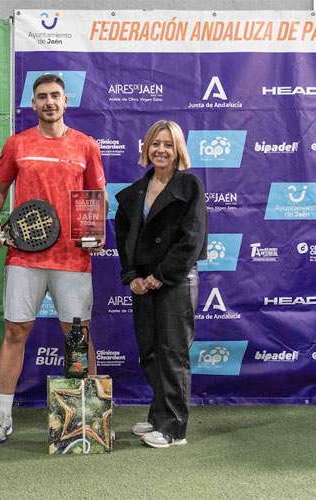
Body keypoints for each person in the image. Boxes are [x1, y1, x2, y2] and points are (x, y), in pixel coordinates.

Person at [0, 74, 106, 444]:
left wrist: (96, 233)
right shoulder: (17, 144)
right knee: (15, 331)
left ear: (66, 101)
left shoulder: (85, 146)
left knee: (78, 338)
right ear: (32, 104)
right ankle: (2, 416)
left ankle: (87, 414)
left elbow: (96, 195)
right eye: (42, 97)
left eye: (55, 96)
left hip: (72, 257)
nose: (49, 102)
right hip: (24, 256)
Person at [114, 119, 207, 448]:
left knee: (172, 354)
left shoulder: (190, 187)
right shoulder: (132, 194)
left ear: (178, 149)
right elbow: (124, 239)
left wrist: (159, 276)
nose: (161, 150)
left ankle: (173, 429)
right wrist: (133, 277)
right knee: (150, 352)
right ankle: (158, 416)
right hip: (143, 286)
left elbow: (192, 241)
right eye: (156, 143)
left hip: (175, 283)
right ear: (146, 148)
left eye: (168, 144)